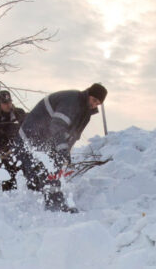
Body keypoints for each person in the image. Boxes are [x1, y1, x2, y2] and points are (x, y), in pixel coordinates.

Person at [12, 83, 107, 212]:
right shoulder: (72, 101)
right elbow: (57, 126)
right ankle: (45, 207)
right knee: (39, 174)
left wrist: (65, 154)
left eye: (98, 104)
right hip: (30, 138)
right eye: (94, 100)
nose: (94, 105)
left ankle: (51, 206)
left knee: (51, 170)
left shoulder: (85, 112)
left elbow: (73, 136)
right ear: (88, 94)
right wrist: (62, 149)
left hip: (48, 141)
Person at [0, 90, 27, 190]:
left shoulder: (20, 114)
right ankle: (9, 194)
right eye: (5, 103)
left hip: (21, 148)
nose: (8, 105)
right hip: (3, 154)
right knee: (7, 170)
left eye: (9, 102)